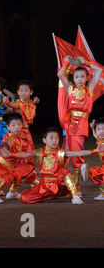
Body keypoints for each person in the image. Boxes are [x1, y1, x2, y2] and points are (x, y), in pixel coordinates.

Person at [9, 127, 103, 204]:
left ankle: (75, 196)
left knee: (64, 171)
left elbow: (78, 153)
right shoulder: (40, 152)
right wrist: (10, 155)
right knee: (24, 198)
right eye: (51, 138)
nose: (54, 140)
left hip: (60, 183)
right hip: (46, 184)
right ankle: (53, 192)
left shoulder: (61, 152)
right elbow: (26, 155)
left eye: (57, 138)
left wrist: (95, 151)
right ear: (44, 140)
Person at [57, 56, 102, 193]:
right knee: (67, 153)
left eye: (82, 76)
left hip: (81, 124)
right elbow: (60, 74)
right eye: (77, 77)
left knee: (76, 155)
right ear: (73, 78)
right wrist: (66, 62)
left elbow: (99, 70)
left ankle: (76, 188)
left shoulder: (89, 89)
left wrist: (84, 63)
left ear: (87, 78)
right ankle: (67, 184)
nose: (80, 79)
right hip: (70, 123)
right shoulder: (70, 88)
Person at [0, 113, 38, 204]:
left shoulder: (20, 135)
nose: (17, 127)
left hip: (13, 166)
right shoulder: (10, 138)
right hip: (2, 166)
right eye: (13, 125)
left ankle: (12, 192)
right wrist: (7, 147)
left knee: (27, 169)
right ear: (8, 127)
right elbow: (8, 143)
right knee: (6, 177)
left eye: (19, 124)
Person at [89, 117, 104, 200]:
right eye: (99, 129)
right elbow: (96, 135)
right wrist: (92, 127)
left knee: (95, 172)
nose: (102, 131)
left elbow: (97, 150)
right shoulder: (100, 140)